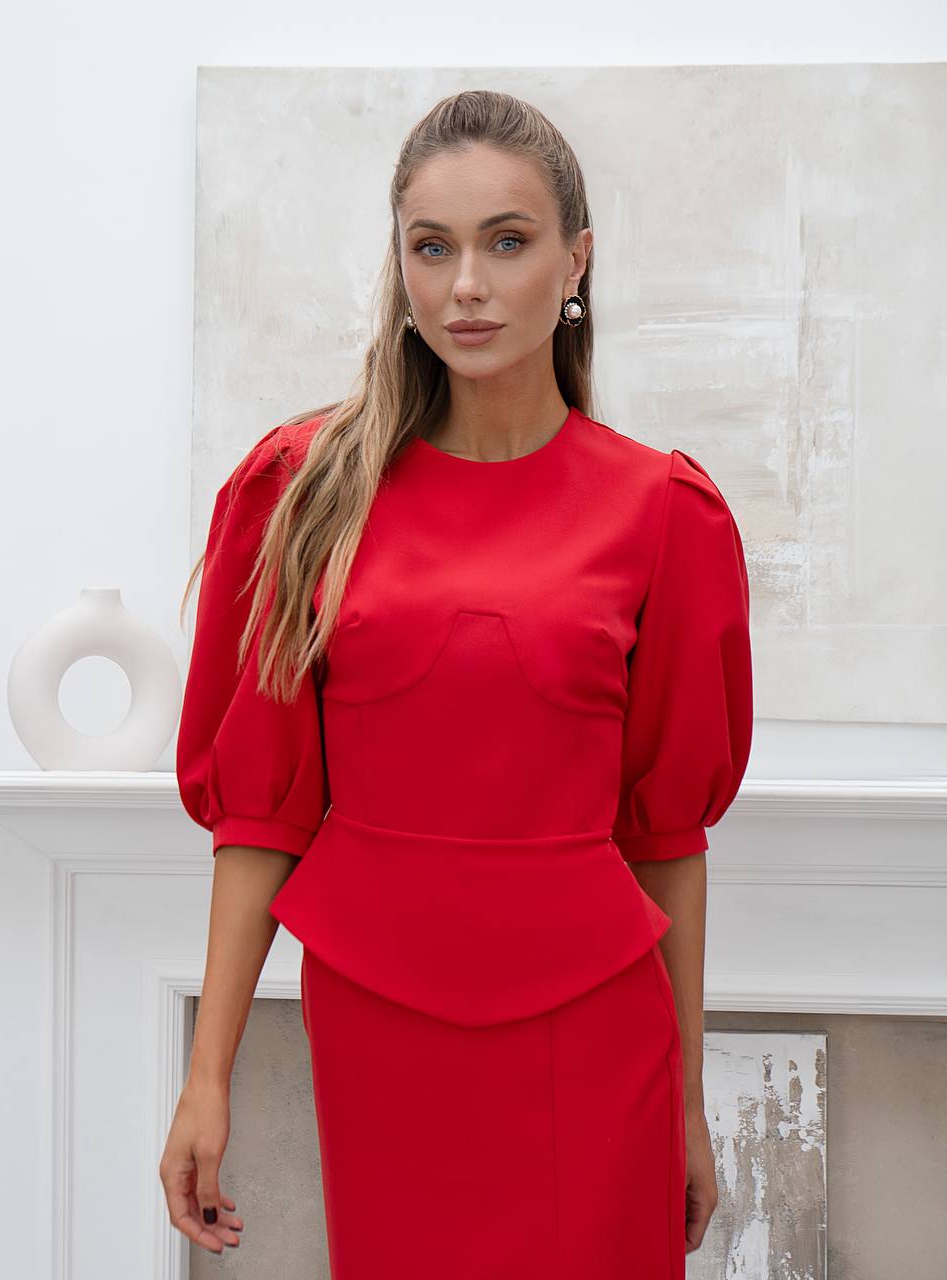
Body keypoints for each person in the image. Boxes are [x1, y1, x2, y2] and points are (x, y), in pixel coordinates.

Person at [159, 88, 753, 1279]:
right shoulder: (301, 492)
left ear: (575, 261)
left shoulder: (664, 514)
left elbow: (664, 835)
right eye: (431, 248)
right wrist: (205, 1076)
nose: (465, 286)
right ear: (400, 266)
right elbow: (263, 810)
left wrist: (688, 1097)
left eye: (506, 241)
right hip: (379, 1021)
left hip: (598, 1032)